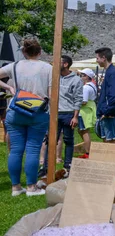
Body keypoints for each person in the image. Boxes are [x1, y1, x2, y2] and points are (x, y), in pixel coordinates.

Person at [0, 38, 51, 196]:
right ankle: (31, 187)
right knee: (33, 150)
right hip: (38, 111)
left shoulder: (15, 65)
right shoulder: (47, 67)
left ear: (23, 52)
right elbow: (51, 93)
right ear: (40, 52)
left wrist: (9, 87)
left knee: (15, 150)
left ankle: (15, 187)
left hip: (15, 110)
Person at [43, 55, 83, 173]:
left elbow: (78, 99)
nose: (54, 64)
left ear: (65, 64)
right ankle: (45, 167)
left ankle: (68, 165)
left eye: (57, 62)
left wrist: (75, 116)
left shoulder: (76, 80)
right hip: (53, 113)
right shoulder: (54, 77)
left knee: (68, 140)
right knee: (50, 140)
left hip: (68, 114)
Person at [78, 68, 97, 157]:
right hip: (88, 110)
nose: (81, 77)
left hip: (84, 111)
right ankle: (88, 148)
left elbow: (84, 101)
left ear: (87, 77)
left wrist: (75, 103)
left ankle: (88, 152)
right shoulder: (92, 86)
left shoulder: (85, 87)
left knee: (84, 131)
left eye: (83, 75)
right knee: (82, 131)